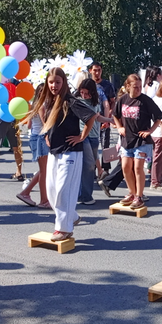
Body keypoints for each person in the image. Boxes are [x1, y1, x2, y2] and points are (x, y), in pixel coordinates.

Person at [25, 68, 95, 241]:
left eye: (57, 82)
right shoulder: (50, 102)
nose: (54, 85)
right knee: (51, 191)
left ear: (63, 82)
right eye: (51, 82)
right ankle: (72, 216)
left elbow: (91, 117)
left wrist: (81, 137)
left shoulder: (71, 101)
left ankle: (63, 229)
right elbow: (50, 123)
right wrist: (47, 135)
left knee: (63, 191)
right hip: (54, 152)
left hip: (70, 152)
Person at [113, 74, 162, 210]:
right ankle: (131, 193)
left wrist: (150, 131)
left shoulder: (146, 100)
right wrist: (119, 127)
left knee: (137, 167)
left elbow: (159, 117)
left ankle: (139, 196)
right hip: (127, 139)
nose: (138, 90)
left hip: (141, 141)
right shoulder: (123, 99)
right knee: (125, 166)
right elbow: (115, 115)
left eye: (140, 87)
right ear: (128, 87)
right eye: (135, 87)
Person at [76, 78, 113, 204]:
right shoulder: (78, 102)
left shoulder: (95, 103)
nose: (84, 95)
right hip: (83, 136)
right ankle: (85, 196)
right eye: (82, 92)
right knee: (89, 164)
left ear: (92, 92)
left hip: (94, 136)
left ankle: (82, 194)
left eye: (86, 93)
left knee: (89, 166)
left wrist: (109, 120)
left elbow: (97, 118)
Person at [17, 84, 51, 209]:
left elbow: (29, 125)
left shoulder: (34, 105)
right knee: (44, 171)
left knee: (44, 170)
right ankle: (43, 200)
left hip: (34, 137)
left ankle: (26, 193)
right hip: (41, 138)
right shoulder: (42, 106)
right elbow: (45, 124)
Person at [91, 61, 116, 172]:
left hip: (104, 119)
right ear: (90, 71)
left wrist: (110, 113)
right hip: (92, 120)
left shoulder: (107, 85)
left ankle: (105, 169)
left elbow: (113, 101)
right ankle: (92, 168)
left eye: (99, 70)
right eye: (95, 70)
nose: (97, 73)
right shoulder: (88, 84)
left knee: (105, 144)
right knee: (92, 145)